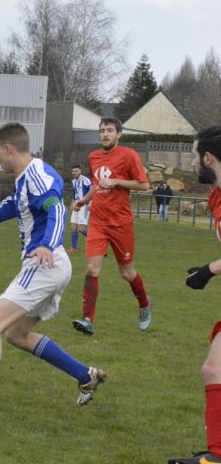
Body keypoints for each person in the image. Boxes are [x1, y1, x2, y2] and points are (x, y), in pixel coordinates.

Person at [0, 123, 105, 422]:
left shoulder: (37, 176)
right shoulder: (27, 176)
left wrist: (46, 245)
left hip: (44, 264)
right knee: (16, 334)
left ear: (9, 149)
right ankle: (85, 375)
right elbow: (13, 205)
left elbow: (57, 210)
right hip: (52, 264)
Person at [168, 125, 221, 464]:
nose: (191, 162)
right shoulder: (215, 197)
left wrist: (209, 270)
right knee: (214, 368)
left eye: (193, 155)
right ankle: (217, 455)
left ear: (208, 158)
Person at [71, 117, 152, 335]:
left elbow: (144, 185)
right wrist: (83, 200)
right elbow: (96, 186)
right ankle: (87, 319)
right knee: (91, 269)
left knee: (127, 272)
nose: (105, 134)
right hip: (98, 222)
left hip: (120, 224)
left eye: (109, 130)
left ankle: (144, 303)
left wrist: (117, 181)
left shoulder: (129, 155)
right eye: (102, 131)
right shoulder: (93, 156)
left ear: (119, 134)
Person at [67, 165, 91, 253]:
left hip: (84, 205)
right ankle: (73, 248)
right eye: (73, 171)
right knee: (73, 227)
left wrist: (90, 203)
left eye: (76, 171)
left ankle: (97, 241)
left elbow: (92, 191)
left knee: (81, 228)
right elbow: (74, 194)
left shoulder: (85, 180)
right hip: (76, 205)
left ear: (80, 171)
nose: (74, 173)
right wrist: (72, 204)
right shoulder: (74, 181)